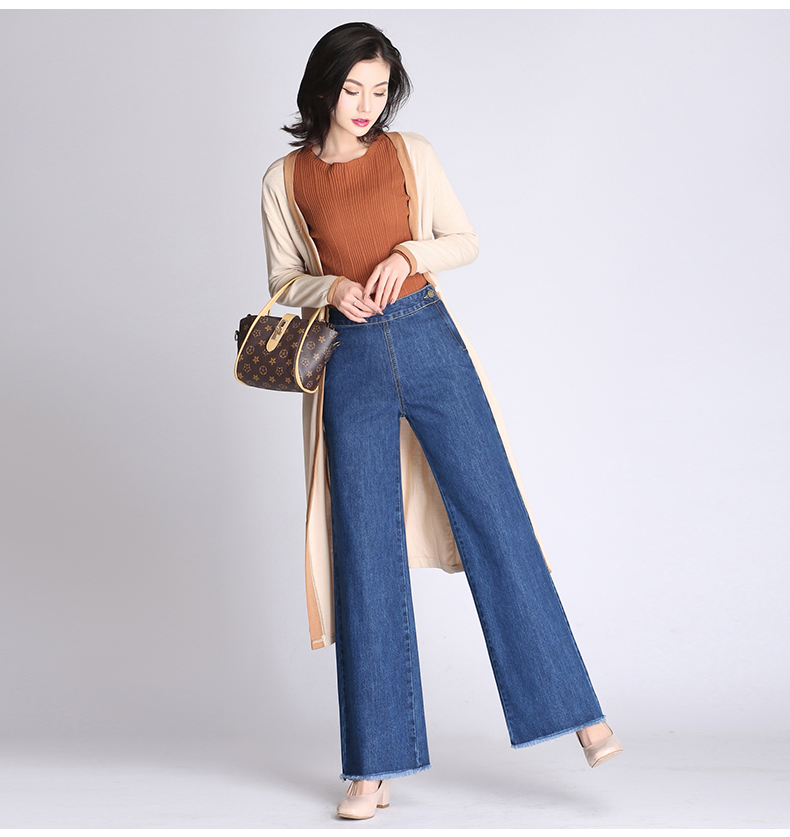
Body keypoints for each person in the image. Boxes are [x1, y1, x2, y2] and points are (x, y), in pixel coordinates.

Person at [261, 21, 622, 820]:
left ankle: (578, 710)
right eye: (352, 89)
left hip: (428, 340)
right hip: (350, 361)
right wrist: (331, 290)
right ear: (323, 88)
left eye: (379, 89)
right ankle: (372, 766)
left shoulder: (410, 153)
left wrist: (408, 255)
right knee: (365, 551)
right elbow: (284, 279)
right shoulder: (285, 178)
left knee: (496, 518)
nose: (366, 105)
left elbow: (465, 240)